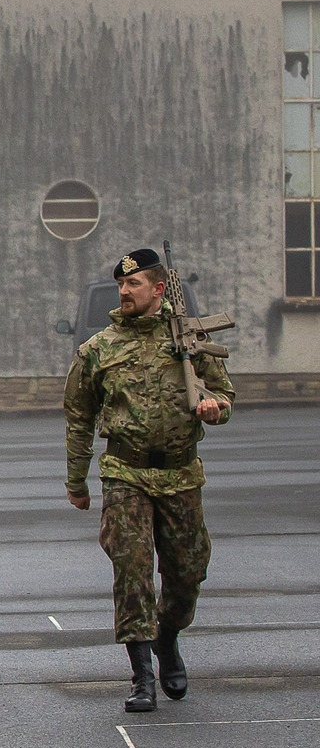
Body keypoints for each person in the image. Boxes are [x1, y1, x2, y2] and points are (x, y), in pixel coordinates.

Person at [64, 246, 232, 713]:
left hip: (181, 472)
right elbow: (79, 418)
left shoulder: (192, 341)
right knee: (132, 572)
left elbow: (224, 394)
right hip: (125, 472)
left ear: (159, 289)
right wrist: (76, 481)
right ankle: (141, 678)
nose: (124, 291)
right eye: (121, 284)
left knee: (187, 573)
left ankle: (168, 638)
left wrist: (213, 408)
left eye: (133, 284)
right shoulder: (98, 349)